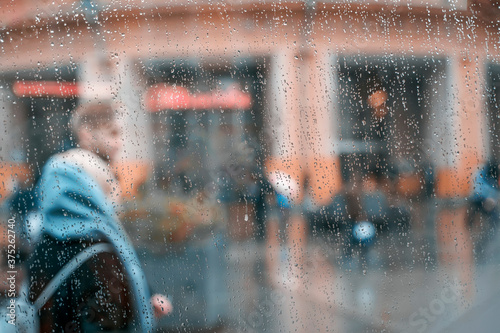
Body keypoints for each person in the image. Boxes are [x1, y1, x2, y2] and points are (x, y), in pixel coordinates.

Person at [28, 101, 172, 332]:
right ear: (87, 133)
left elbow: (114, 256)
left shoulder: (88, 196)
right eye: (113, 133)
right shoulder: (73, 187)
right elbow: (98, 264)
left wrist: (146, 295)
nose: (119, 142)